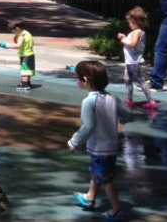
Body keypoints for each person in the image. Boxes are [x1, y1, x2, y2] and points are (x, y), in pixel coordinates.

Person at [68, 60, 133, 221]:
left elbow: (88, 126)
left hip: (100, 147)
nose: (76, 80)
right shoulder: (113, 98)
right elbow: (129, 114)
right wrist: (123, 120)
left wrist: (74, 141)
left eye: (77, 77)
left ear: (85, 80)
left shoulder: (89, 101)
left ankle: (116, 209)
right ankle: (90, 197)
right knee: (97, 172)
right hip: (110, 146)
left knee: (107, 180)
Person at [118, 6, 158, 110]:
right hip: (130, 61)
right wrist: (125, 37)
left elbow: (133, 44)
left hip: (134, 62)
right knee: (127, 80)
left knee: (140, 80)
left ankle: (151, 101)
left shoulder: (137, 32)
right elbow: (131, 42)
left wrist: (122, 40)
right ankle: (130, 100)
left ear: (136, 22)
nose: (129, 24)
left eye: (130, 22)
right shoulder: (138, 32)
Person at [0, 19, 35, 90]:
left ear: (17, 28)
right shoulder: (27, 33)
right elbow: (32, 42)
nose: (13, 33)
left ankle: (24, 84)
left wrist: (7, 46)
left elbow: (18, 46)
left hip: (25, 55)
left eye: (13, 31)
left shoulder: (21, 36)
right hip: (31, 54)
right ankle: (28, 82)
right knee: (28, 70)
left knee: (24, 70)